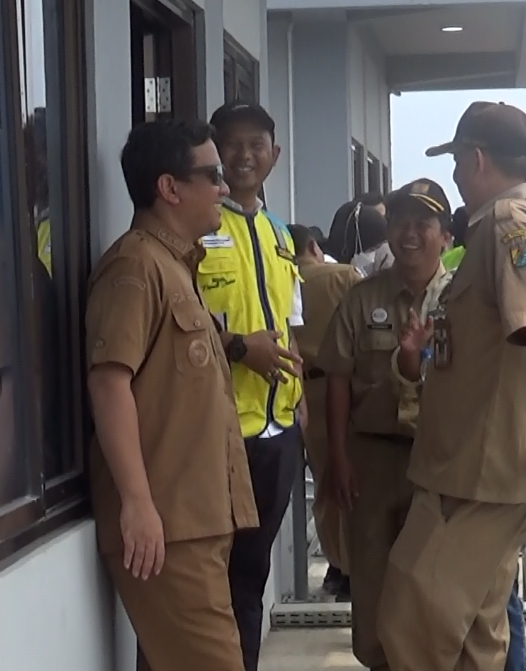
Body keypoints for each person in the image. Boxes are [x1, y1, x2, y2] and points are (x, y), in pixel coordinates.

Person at [378, 101, 526, 671]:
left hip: (474, 477)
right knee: (477, 637)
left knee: (410, 622)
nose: (457, 177)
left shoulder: (506, 223)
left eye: (457, 163)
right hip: (480, 472)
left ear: (475, 159)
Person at [85, 118, 258, 671]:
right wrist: (137, 503)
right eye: (213, 175)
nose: (225, 188)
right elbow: (109, 384)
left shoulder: (176, 267)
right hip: (168, 527)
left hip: (198, 522)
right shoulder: (135, 266)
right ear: (169, 188)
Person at [319, 179, 453, 671]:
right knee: (373, 587)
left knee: (436, 592)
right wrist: (338, 458)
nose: (410, 233)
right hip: (371, 462)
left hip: (439, 465)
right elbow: (337, 379)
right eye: (400, 222)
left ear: (446, 236)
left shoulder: (461, 302)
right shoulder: (360, 299)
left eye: (424, 223)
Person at [199, 100, 308, 671]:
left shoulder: (279, 233)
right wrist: (242, 348)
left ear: (274, 154)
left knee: (254, 574)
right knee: (216, 582)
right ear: (214, 149)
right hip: (220, 436)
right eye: (231, 144)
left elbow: (293, 328)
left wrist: (302, 419)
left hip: (276, 434)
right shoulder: (199, 228)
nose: (244, 155)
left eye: (256, 145)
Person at [439, 203, 526, 671]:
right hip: (463, 462)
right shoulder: (456, 276)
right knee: (494, 600)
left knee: (494, 599)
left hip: (487, 467)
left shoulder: (498, 252)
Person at [288, 224, 362, 600]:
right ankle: (353, 566)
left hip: (299, 392)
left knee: (324, 484)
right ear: (314, 247)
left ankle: (339, 565)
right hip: (345, 388)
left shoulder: (278, 279)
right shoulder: (344, 276)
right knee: (353, 480)